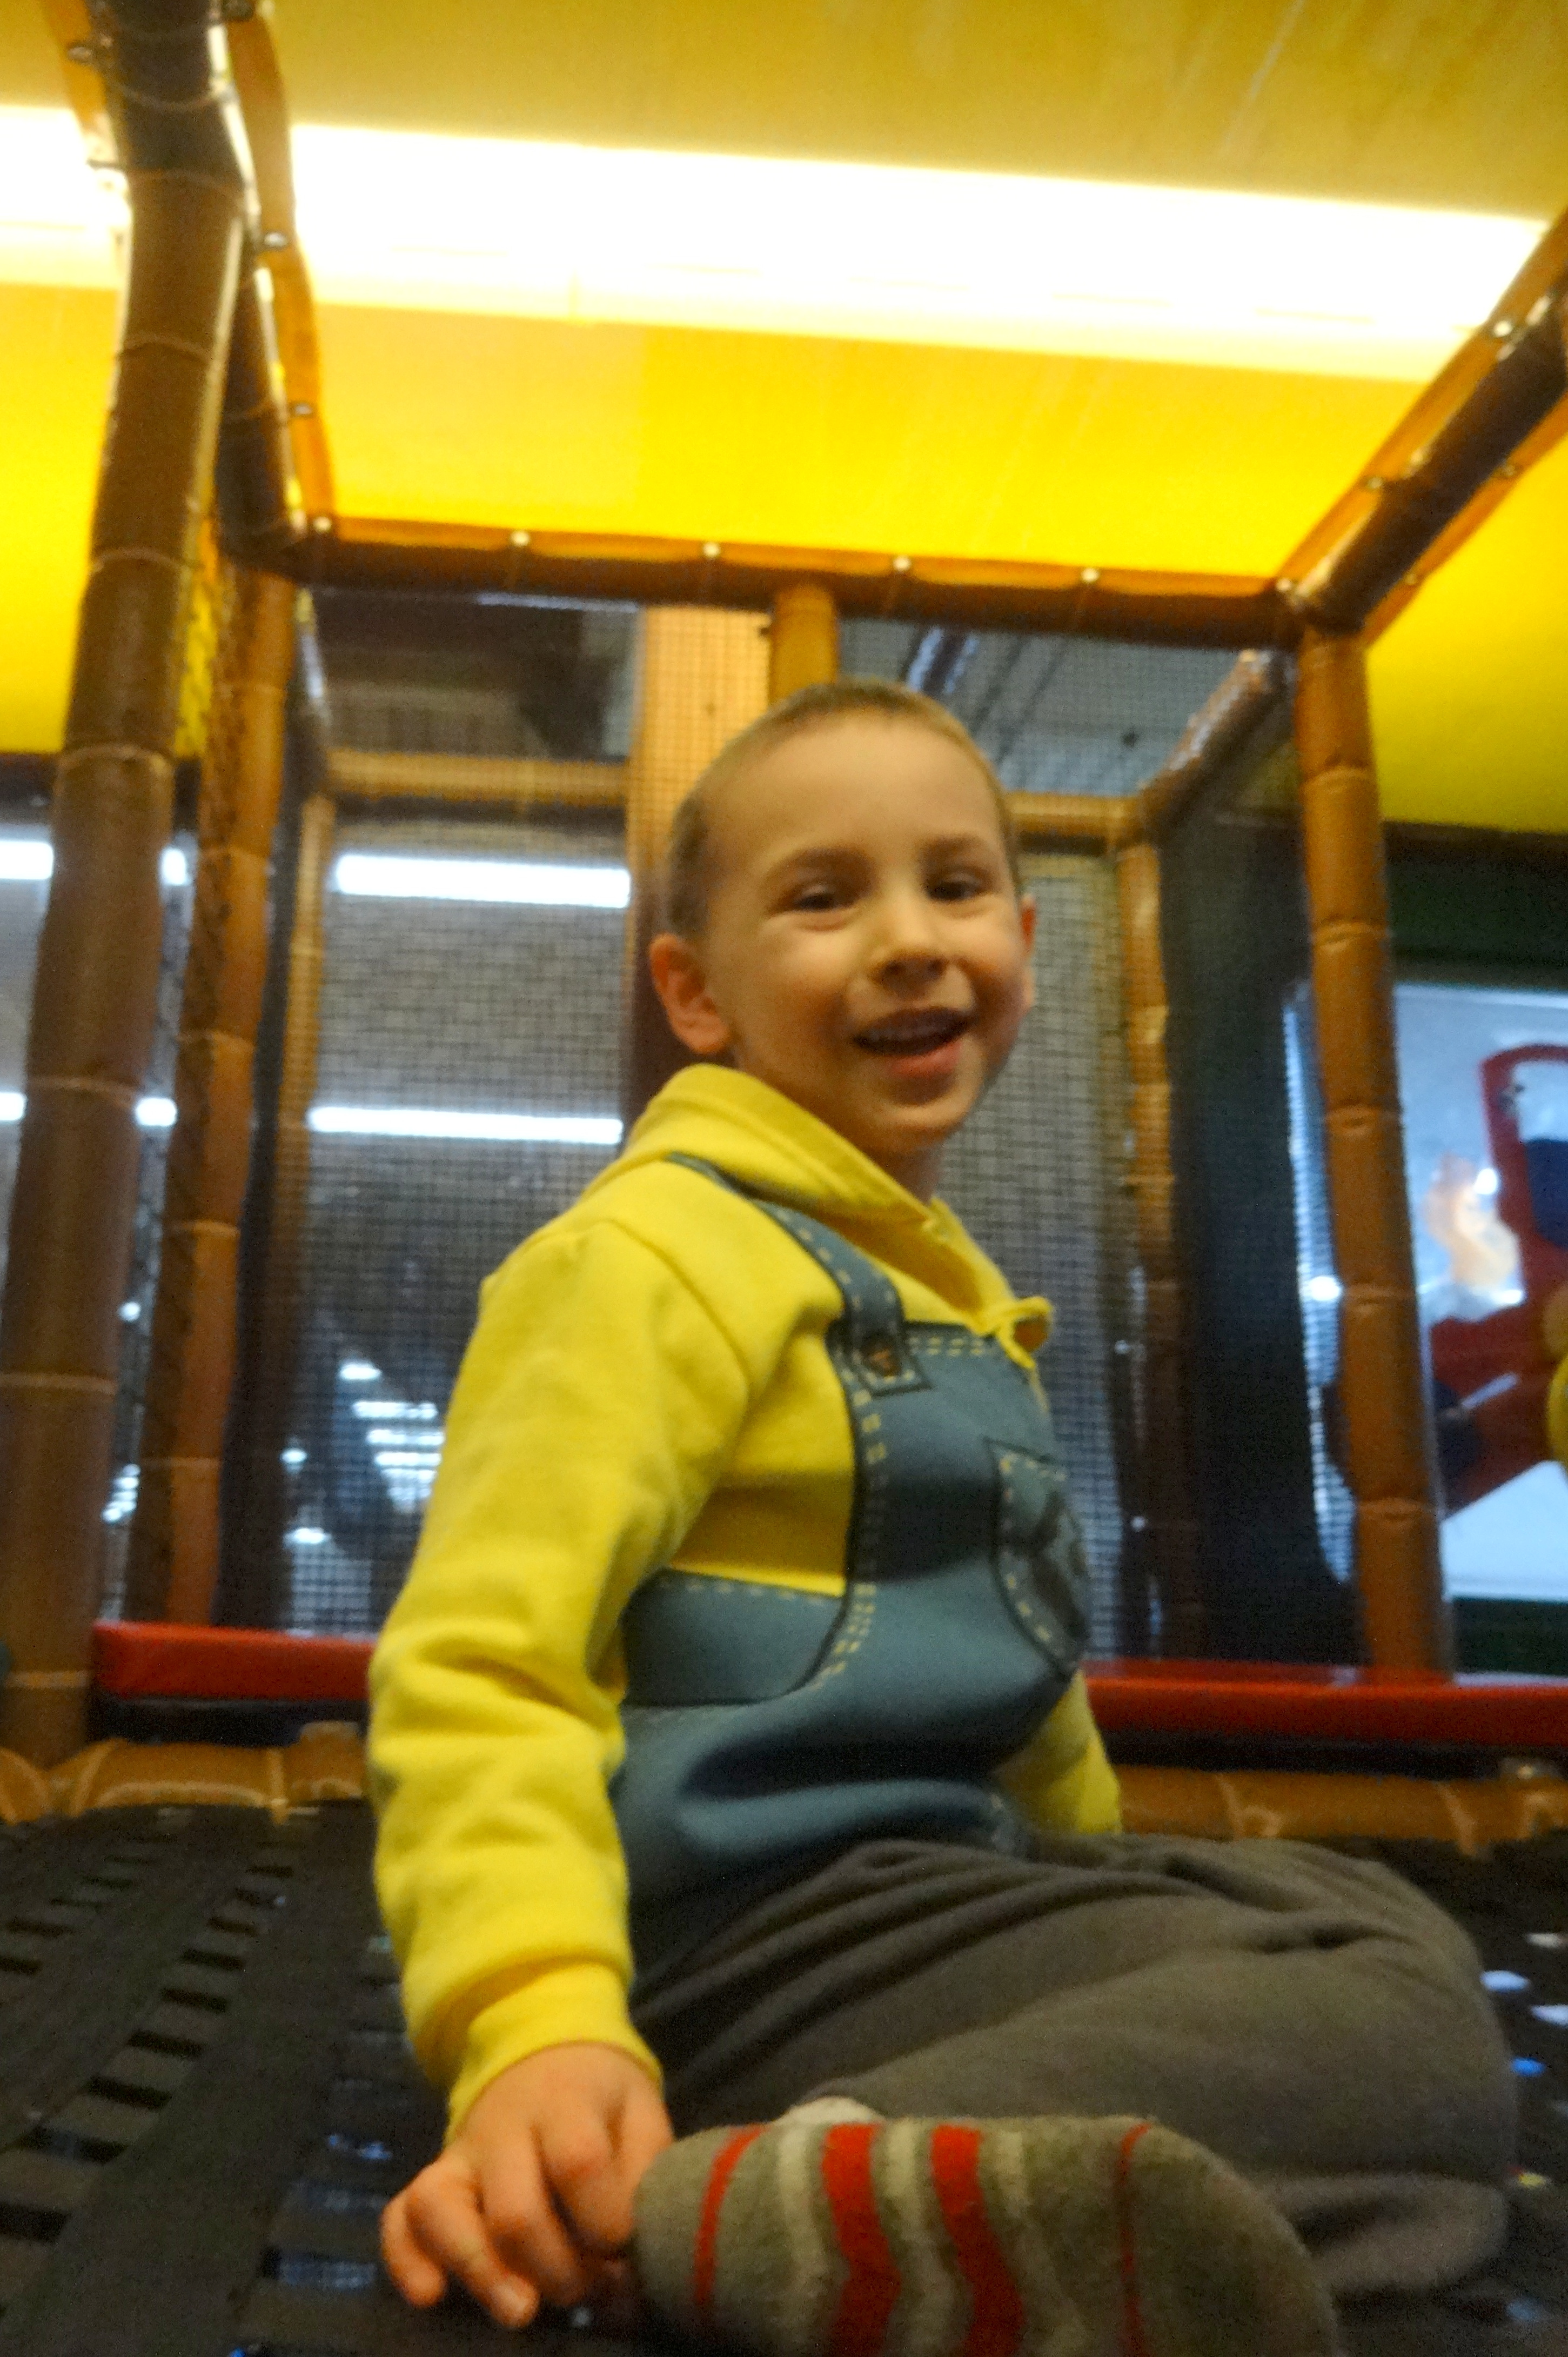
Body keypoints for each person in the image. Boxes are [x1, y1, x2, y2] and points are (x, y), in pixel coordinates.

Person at [369, 680, 1515, 2354]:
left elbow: (1023, 1697)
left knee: (1368, 1922)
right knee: (1411, 2040)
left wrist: (1102, 1889)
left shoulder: (945, 1295)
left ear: (1023, 945)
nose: (910, 939)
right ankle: (717, 2211)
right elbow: (480, 1671)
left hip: (914, 1905)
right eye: (824, 896)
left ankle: (928, 2195)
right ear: (696, 992)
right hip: (723, 1943)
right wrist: (537, 2024)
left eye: (955, 884)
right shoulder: (645, 1264)